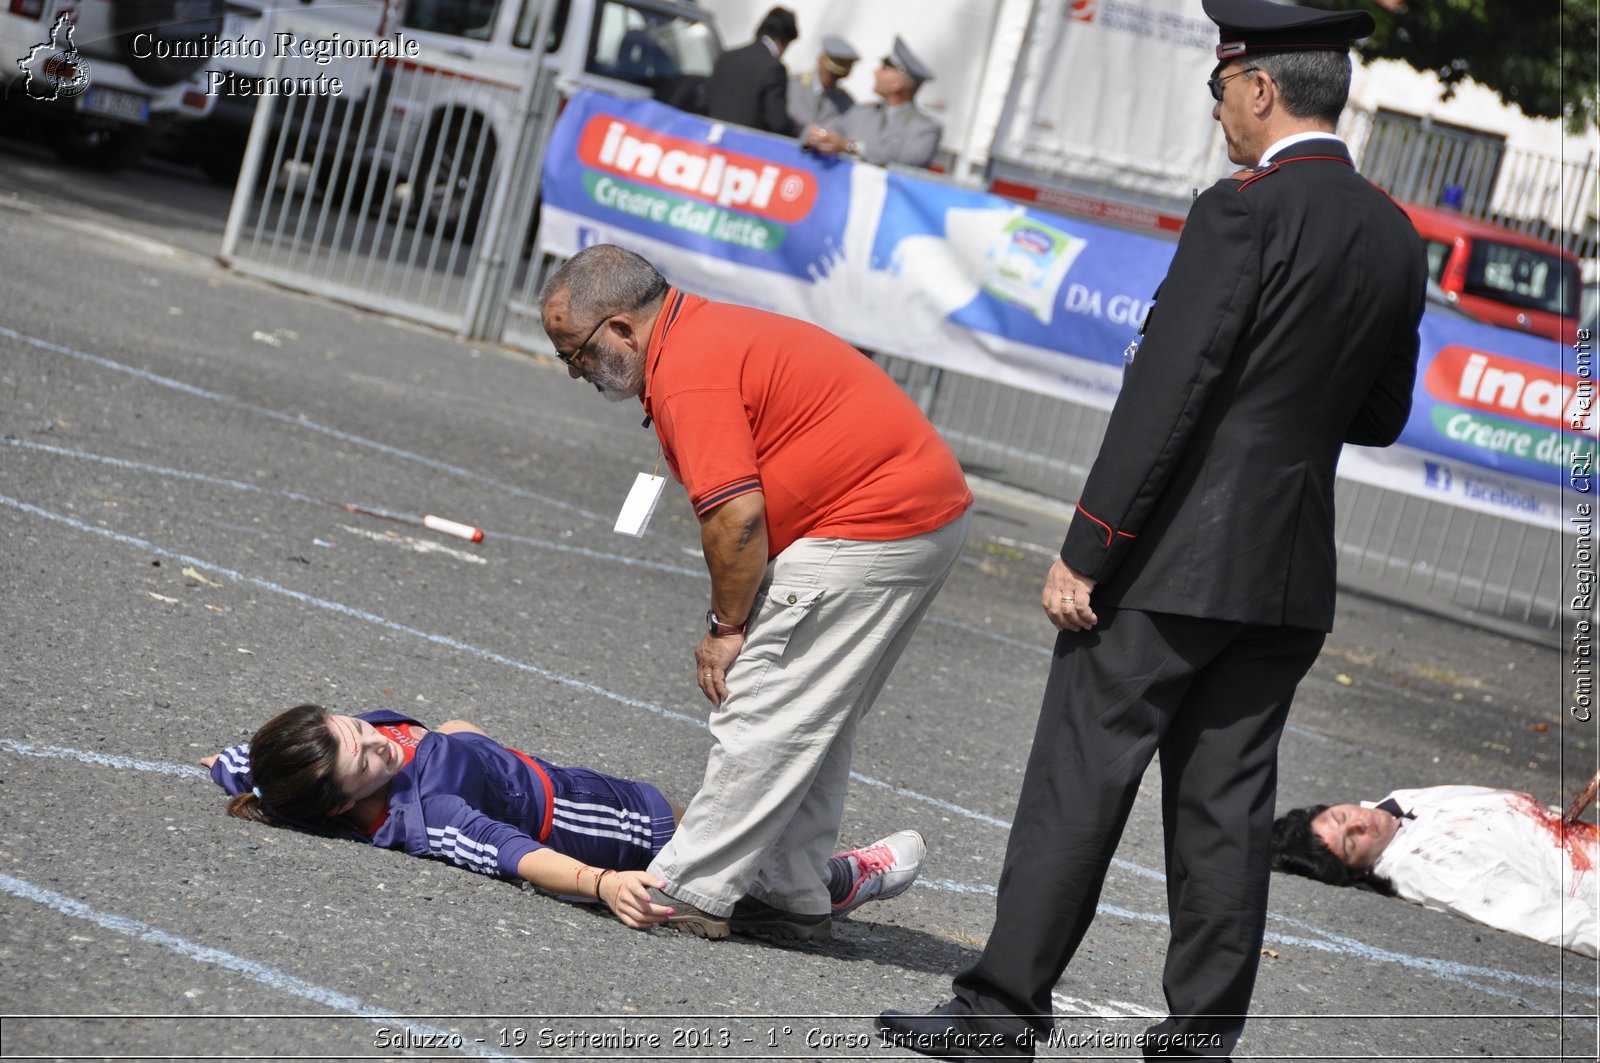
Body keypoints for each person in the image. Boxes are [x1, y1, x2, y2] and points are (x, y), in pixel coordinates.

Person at [877, 0, 1426, 1057]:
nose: (1217, 107)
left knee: (1077, 782)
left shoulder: (1242, 210)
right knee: (1224, 812)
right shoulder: (1392, 235)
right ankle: (1200, 1037)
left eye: (1221, 86)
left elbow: (1168, 393)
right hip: (1288, 567)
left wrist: (1089, 545)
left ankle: (1000, 1010)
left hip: (1172, 562)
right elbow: (1381, 415)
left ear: (1259, 87)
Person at [538, 244, 973, 943]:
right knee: (810, 709)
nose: (575, 371)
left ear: (621, 328)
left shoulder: (686, 373)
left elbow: (737, 519)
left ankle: (691, 887)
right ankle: (788, 885)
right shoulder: (697, 334)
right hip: (910, 514)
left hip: (872, 523)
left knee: (764, 703)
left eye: (578, 353)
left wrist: (726, 625)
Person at [205, 705, 925, 932]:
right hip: (614, 829)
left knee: (730, 825)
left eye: (347, 725)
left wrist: (233, 765)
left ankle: (802, 871)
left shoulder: (328, 759)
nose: (369, 739)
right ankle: (836, 880)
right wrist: (603, 883)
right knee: (735, 878)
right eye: (358, 758)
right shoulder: (432, 812)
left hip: (570, 783)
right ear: (340, 803)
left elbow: (265, 771)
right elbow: (508, 853)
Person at [1273, 786, 1598, 957]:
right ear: (1354, 872)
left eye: (1342, 817)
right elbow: (1545, 918)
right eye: (1350, 844)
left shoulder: (1398, 803)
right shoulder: (1428, 867)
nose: (1359, 822)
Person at [802, 36, 940, 169]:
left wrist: (851, 147)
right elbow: (833, 130)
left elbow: (907, 160)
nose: (875, 72)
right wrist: (818, 137)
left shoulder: (925, 128)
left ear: (897, 84)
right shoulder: (861, 113)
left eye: (884, 69)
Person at [704, 6, 799, 136]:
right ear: (786, 41)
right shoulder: (774, 68)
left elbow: (703, 103)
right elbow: (777, 122)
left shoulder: (727, 56)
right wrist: (798, 129)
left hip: (710, 144)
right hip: (744, 151)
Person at [786, 34, 857, 131]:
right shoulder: (791, 87)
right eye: (830, 73)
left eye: (837, 76)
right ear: (820, 61)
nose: (833, 78)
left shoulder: (845, 103)